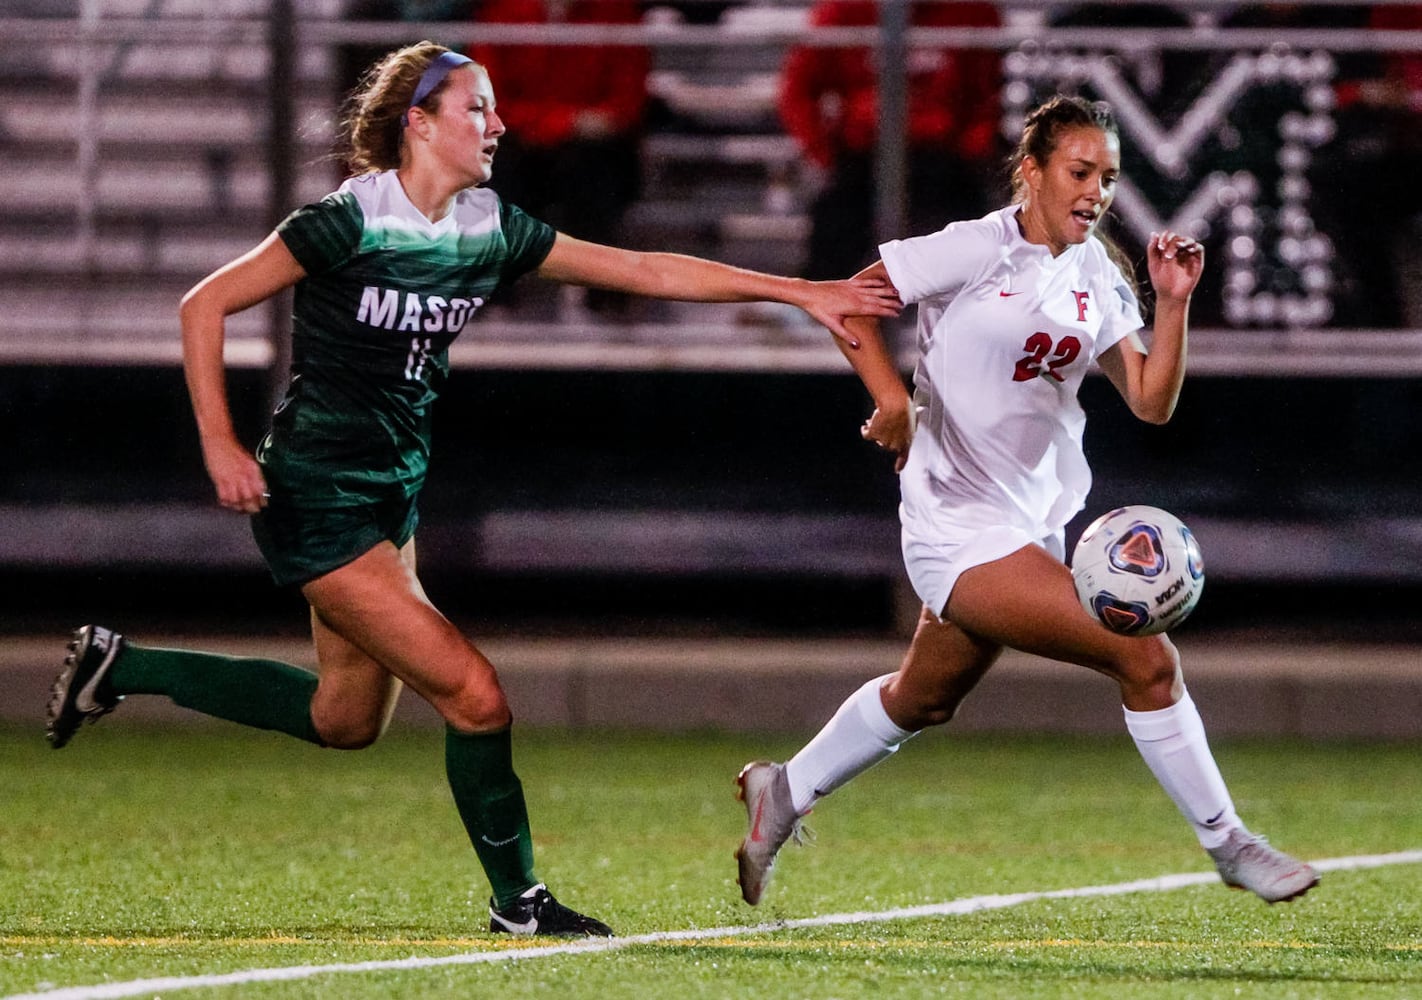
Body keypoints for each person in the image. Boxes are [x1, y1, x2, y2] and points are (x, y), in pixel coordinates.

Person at [44, 41, 901, 939]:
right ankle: (518, 903)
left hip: (389, 494)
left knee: (342, 720)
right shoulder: (350, 220)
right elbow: (203, 305)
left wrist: (801, 291)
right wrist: (221, 444)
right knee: (475, 695)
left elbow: (645, 269)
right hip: (316, 494)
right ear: (417, 123)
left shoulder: (485, 224)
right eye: (477, 108)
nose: (500, 123)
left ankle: (121, 665)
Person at [733, 96, 1320, 909]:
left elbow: (1151, 401)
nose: (1096, 192)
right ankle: (1230, 843)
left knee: (924, 698)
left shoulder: (1096, 274)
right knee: (1144, 657)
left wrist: (1174, 302)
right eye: (1080, 172)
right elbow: (852, 303)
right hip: (955, 521)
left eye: (1109, 178)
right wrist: (892, 399)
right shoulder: (975, 248)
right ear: (1034, 171)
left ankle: (784, 790)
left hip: (1035, 525)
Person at [778, 0, 1002, 282]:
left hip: (942, 156)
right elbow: (798, 90)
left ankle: (975, 307)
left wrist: (974, 146)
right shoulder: (842, 11)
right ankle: (822, 302)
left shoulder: (972, 10)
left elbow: (988, 91)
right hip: (863, 154)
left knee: (974, 225)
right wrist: (823, 153)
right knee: (836, 218)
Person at [469, 0, 649, 317]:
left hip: (591, 150)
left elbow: (626, 104)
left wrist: (561, 126)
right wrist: (567, 123)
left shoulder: (617, 14)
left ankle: (599, 297)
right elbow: (489, 102)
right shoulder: (502, 13)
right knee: (498, 168)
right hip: (524, 143)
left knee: (591, 172)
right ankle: (496, 297)